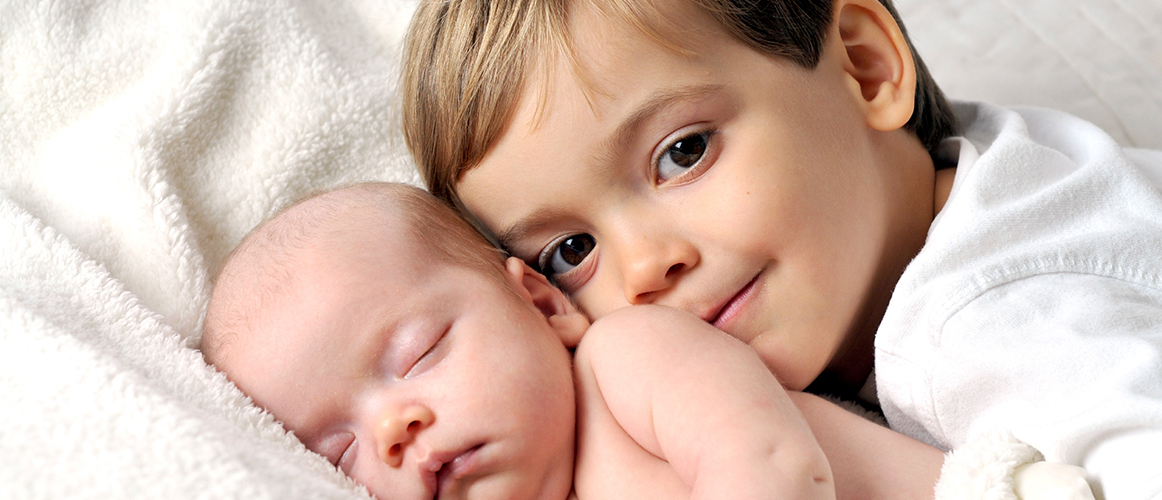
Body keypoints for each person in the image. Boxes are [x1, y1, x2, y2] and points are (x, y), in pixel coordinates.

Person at [399, 0, 1162, 497]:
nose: (643, 269)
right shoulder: (948, 175)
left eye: (683, 152)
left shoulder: (996, 327)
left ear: (866, 68)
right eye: (571, 251)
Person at [201, 182, 941, 500]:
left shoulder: (626, 362)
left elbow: (771, 464)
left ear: (541, 301)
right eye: (341, 452)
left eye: (418, 356)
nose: (394, 431)